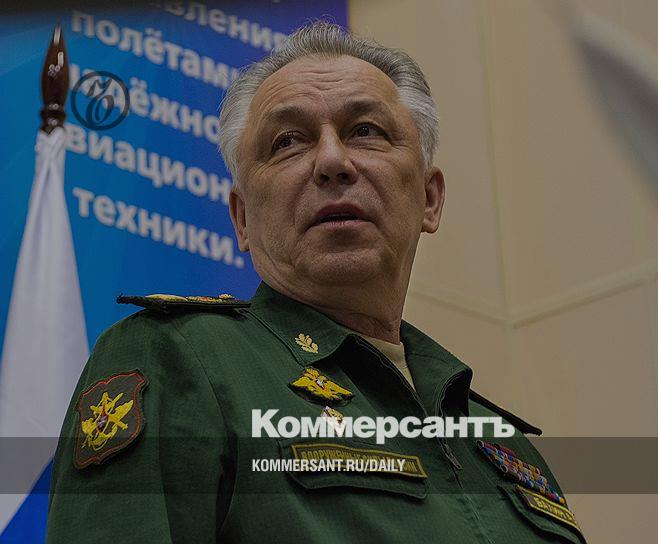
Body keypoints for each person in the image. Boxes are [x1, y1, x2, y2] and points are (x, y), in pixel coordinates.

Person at [47, 21, 584, 544]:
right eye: (287, 141)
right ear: (242, 219)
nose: (331, 160)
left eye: (366, 131)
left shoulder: (503, 441)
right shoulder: (179, 358)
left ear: (429, 198)